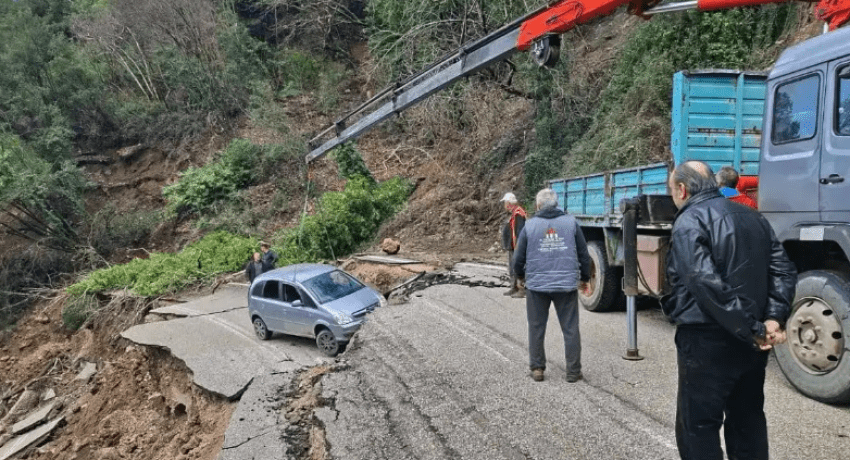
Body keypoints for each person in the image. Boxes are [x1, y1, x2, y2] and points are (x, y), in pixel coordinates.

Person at [664, 161, 797, 460]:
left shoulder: (688, 221)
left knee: (698, 426)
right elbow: (784, 272)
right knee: (747, 420)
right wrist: (772, 320)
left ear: (682, 190)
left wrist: (752, 327)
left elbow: (705, 283)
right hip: (752, 344)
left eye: (673, 191)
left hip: (706, 340)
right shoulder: (754, 217)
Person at [512, 188, 591, 383]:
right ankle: (573, 371)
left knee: (536, 328)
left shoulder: (530, 226)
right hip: (566, 285)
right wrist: (585, 278)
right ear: (556, 204)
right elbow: (584, 254)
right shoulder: (571, 223)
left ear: (538, 205)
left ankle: (537, 368)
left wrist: (521, 277)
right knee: (571, 328)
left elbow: (517, 259)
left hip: (537, 286)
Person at [500, 192, 527, 298]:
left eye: (505, 203)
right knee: (512, 267)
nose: (504, 206)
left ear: (509, 203)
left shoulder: (518, 213)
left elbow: (520, 232)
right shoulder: (515, 213)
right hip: (512, 246)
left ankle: (521, 289)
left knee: (517, 267)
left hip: (517, 246)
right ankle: (514, 287)